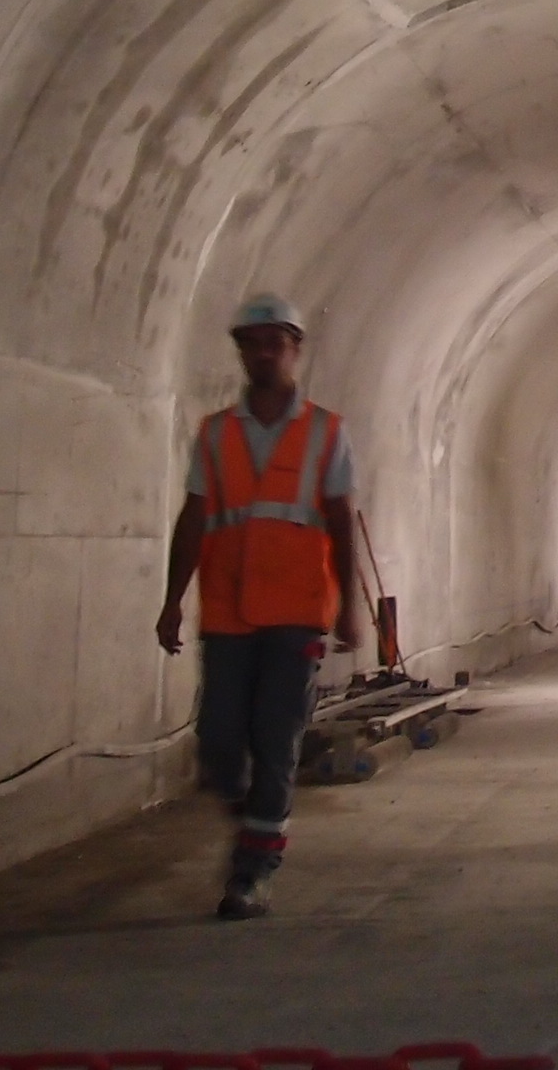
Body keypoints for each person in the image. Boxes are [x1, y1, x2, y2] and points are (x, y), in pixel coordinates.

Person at [155, 293, 364, 920]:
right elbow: (194, 517)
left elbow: (340, 519)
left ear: (295, 350)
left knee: (277, 740)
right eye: (253, 341)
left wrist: (351, 608)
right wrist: (171, 601)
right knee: (218, 741)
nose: (265, 352)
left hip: (297, 608)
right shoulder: (216, 434)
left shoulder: (326, 430)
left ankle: (253, 872)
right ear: (241, 352)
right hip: (227, 610)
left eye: (277, 340)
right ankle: (254, 816)